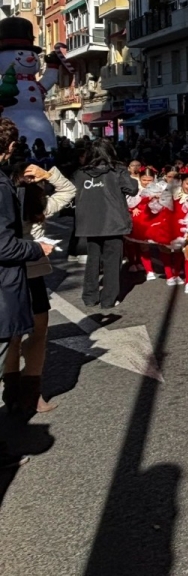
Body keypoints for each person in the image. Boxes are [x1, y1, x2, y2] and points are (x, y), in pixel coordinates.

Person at [0, 117, 55, 459]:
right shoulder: (2, 186)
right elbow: (3, 246)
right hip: (7, 279)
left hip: (16, 279)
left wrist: (46, 176)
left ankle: (26, 393)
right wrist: (37, 249)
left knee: (33, 330)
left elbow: (65, 192)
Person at [2, 158, 75, 414]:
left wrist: (47, 174)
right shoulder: (23, 202)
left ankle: (20, 392)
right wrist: (49, 175)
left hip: (19, 274)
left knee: (21, 333)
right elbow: (68, 190)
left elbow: (69, 192)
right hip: (22, 272)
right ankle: (24, 393)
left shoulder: (31, 203)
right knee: (30, 333)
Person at [72, 140, 138, 309]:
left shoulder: (81, 173)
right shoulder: (117, 171)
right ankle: (108, 299)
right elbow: (132, 189)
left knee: (93, 260)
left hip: (90, 222)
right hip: (113, 221)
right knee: (112, 261)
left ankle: (89, 296)